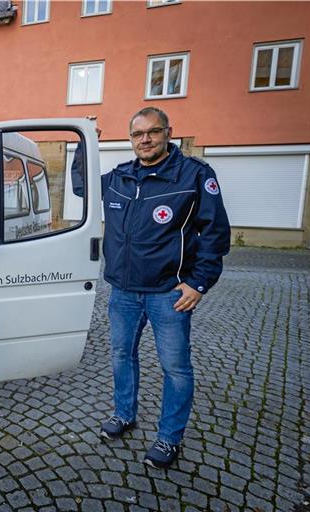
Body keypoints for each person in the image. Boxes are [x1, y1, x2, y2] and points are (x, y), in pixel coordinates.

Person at [73, 107, 231, 469]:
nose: (145, 139)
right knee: (121, 355)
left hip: (169, 293)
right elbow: (82, 186)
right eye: (137, 134)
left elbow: (216, 233)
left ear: (168, 133)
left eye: (153, 132)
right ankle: (124, 414)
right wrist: (86, 145)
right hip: (124, 292)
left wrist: (199, 282)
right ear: (130, 139)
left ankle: (169, 437)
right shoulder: (120, 177)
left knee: (175, 367)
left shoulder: (194, 175)